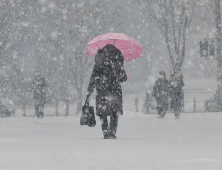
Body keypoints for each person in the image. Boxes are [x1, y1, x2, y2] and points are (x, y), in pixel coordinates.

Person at [87, 44, 128, 139]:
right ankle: (112, 131)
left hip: (102, 90)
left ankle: (105, 130)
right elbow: (122, 77)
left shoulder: (99, 60)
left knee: (102, 111)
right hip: (114, 90)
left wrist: (90, 89)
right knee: (114, 111)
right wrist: (122, 76)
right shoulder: (117, 59)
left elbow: (94, 75)